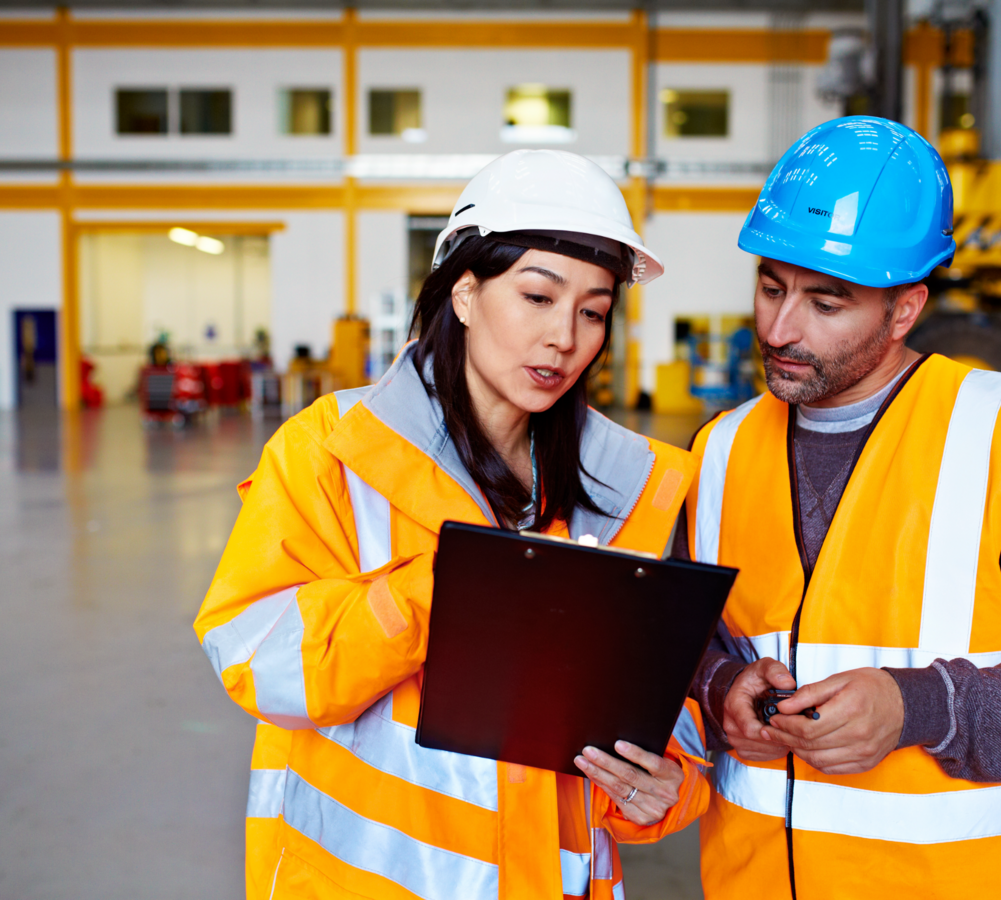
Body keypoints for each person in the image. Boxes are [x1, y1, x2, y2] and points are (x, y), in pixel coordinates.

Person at [194, 149, 710, 900]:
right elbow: (257, 660)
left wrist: (661, 787)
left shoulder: (633, 493)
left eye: (593, 311)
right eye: (537, 296)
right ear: (464, 294)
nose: (565, 337)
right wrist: (441, 590)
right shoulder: (333, 452)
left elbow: (671, 720)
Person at [684, 116, 1001, 899]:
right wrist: (721, 685)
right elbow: (680, 642)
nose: (780, 329)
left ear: (904, 310)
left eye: (827, 303)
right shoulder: (716, 451)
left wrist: (920, 707)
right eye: (770, 287)